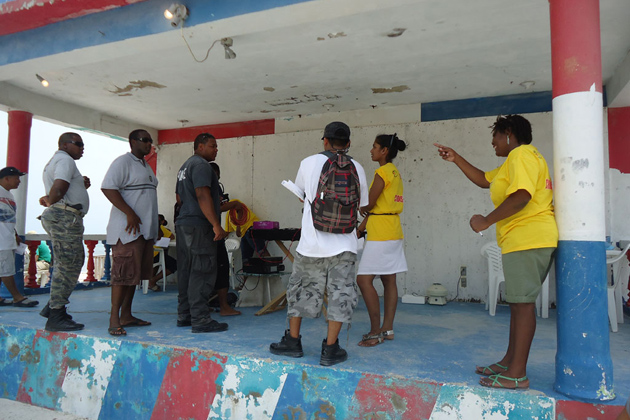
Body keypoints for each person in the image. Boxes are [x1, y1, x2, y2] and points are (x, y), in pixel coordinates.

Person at [435, 114, 558, 390]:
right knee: (517, 304)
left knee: (523, 306)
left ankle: (517, 374)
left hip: (529, 237)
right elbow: (483, 179)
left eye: (495, 136)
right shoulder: (512, 163)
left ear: (509, 133)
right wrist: (456, 158)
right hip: (522, 239)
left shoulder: (522, 155)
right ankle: (509, 362)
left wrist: (486, 220)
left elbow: (522, 195)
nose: (492, 142)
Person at [270, 121, 368, 366]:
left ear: (325, 140)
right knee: (340, 295)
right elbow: (362, 204)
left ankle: (293, 342)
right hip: (345, 243)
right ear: (348, 143)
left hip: (311, 244)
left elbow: (303, 195)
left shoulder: (308, 163)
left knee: (301, 291)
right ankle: (331, 349)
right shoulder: (357, 167)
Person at [102, 129, 158, 336]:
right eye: (145, 140)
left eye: (150, 141)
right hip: (127, 231)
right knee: (122, 275)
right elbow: (108, 188)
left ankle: (127, 314)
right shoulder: (122, 162)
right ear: (132, 142)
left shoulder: (145, 165)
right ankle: (114, 319)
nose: (149, 144)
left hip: (144, 232)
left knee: (134, 276)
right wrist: (130, 213)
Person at [355, 134, 408, 347]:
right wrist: (361, 228)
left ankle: (375, 332)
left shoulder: (381, 172)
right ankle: (387, 328)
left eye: (375, 147)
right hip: (393, 230)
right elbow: (379, 207)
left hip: (380, 236)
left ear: (384, 151)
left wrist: (360, 207)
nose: (371, 150)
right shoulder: (395, 173)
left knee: (363, 280)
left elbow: (370, 204)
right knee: (389, 281)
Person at [175, 133, 229, 333]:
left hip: (184, 223)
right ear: (200, 146)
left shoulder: (185, 166)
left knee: (187, 271)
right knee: (202, 270)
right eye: (213, 146)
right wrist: (215, 224)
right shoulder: (201, 166)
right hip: (199, 226)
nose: (216, 149)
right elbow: (202, 194)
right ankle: (201, 319)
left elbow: (180, 198)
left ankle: (185, 315)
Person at [39, 132, 90, 331]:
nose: (82, 148)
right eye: (78, 144)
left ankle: (53, 307)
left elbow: (62, 187)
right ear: (65, 145)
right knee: (68, 264)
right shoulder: (65, 160)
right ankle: (56, 313)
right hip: (65, 217)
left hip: (64, 216)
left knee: (68, 262)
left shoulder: (60, 160)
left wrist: (79, 185)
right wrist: (51, 201)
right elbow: (59, 188)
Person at [0, 167, 38, 308]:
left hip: (7, 237)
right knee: (6, 270)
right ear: (6, 178)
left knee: (2, 269)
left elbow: (9, 218)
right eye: (16, 178)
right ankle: (17, 297)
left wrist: (15, 233)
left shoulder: (9, 195)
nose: (19, 181)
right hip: (1, 241)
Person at [209, 162, 242, 316]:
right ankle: (223, 306)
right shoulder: (206, 188)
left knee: (216, 269)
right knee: (221, 269)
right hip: (210, 234)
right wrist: (233, 204)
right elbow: (214, 207)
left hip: (206, 234)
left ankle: (204, 305)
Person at [148, 214, 177, 291]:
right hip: (155, 254)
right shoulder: (160, 227)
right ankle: (152, 281)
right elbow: (172, 236)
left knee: (159, 262)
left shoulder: (147, 227)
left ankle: (150, 282)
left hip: (144, 255)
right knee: (174, 264)